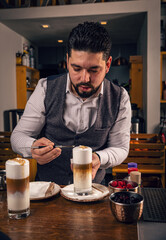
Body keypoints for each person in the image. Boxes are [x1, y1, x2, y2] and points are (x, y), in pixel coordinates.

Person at [11, 22, 131, 185]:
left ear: (108, 64)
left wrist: (99, 158)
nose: (85, 78)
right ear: (67, 61)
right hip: (48, 190)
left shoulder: (120, 97)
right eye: (76, 68)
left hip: (93, 191)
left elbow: (121, 148)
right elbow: (18, 137)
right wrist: (32, 147)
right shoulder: (45, 88)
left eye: (94, 70)